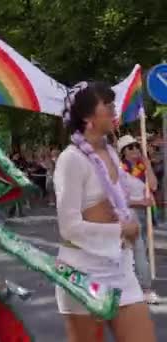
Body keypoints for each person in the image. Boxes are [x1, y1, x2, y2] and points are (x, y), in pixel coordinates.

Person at [54, 82, 156, 341]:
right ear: (88, 117)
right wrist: (121, 229)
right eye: (108, 106)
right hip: (82, 273)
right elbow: (69, 227)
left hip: (121, 269)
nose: (114, 111)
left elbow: (141, 190)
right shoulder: (71, 160)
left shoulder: (111, 153)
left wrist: (146, 169)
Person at [118, 135, 160, 305]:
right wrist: (140, 202)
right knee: (140, 250)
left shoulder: (143, 168)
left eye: (136, 146)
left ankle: (128, 286)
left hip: (146, 214)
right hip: (129, 214)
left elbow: (154, 186)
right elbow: (118, 198)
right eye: (130, 147)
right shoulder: (120, 171)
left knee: (139, 250)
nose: (135, 150)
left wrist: (148, 163)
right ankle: (146, 289)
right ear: (123, 153)